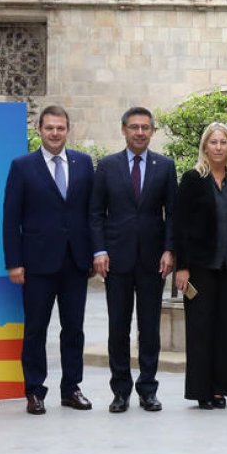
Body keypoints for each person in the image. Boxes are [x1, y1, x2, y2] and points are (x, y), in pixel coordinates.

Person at [2, 105, 94, 415]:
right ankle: (34, 391)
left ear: (68, 130)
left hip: (75, 262)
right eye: (49, 128)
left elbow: (91, 214)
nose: (55, 133)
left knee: (74, 329)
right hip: (36, 264)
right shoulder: (22, 166)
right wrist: (14, 262)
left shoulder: (83, 164)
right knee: (36, 329)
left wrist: (95, 252)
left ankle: (71, 389)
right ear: (39, 130)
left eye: (60, 128)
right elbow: (10, 218)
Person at [90, 107, 178, 413]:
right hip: (116, 260)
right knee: (118, 327)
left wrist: (170, 250)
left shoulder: (165, 166)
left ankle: (148, 389)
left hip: (154, 261)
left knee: (149, 328)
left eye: (145, 127)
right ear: (123, 130)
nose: (139, 132)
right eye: (134, 127)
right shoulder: (107, 166)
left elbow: (173, 215)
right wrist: (99, 250)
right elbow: (96, 213)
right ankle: (121, 390)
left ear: (153, 131)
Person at [173, 123, 227, 409]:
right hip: (200, 267)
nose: (219, 147)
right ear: (205, 147)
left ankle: (221, 388)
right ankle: (201, 390)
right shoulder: (192, 179)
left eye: (223, 142)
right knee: (200, 329)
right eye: (213, 142)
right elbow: (180, 226)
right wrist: (181, 267)